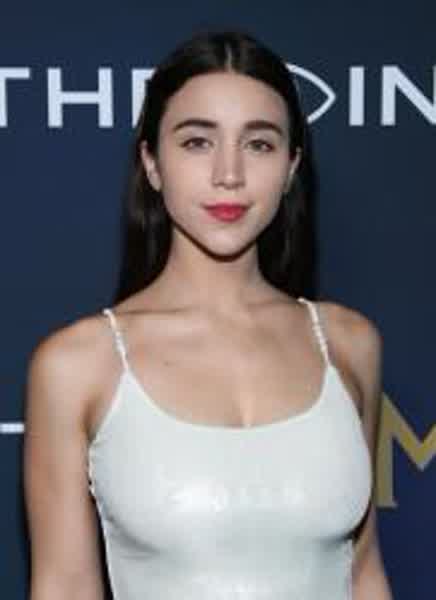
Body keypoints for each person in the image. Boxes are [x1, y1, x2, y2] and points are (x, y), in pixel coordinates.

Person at [23, 29, 393, 599]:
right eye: (197, 141)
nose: (229, 174)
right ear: (152, 162)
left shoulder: (349, 343)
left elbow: (362, 571)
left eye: (259, 144)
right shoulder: (77, 364)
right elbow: (65, 586)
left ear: (291, 166)